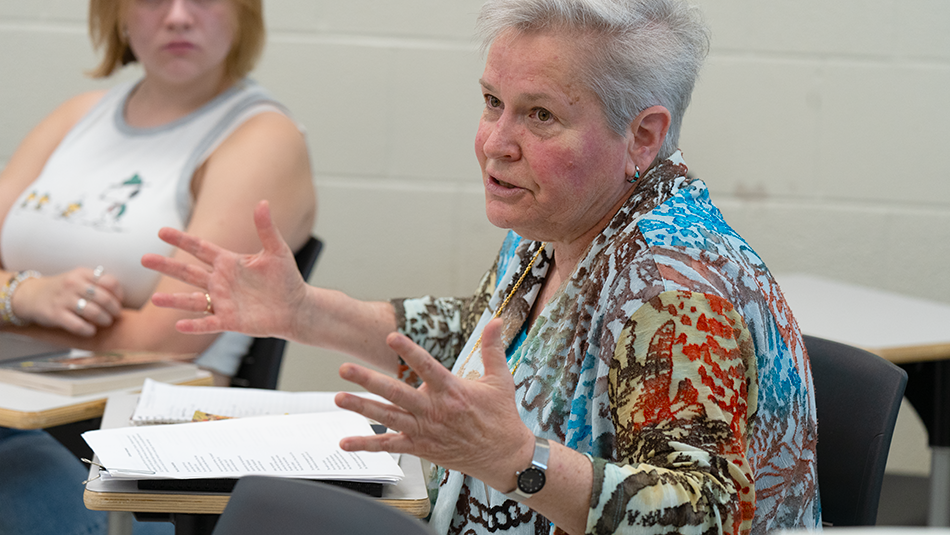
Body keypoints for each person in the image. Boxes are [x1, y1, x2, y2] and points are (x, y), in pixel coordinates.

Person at [144, 0, 819, 533]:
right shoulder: (561, 218)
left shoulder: (672, 287)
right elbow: (484, 340)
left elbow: (704, 515)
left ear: (642, 134)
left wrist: (519, 461)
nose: (496, 143)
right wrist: (305, 313)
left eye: (541, 116)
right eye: (493, 102)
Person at [0, 0, 316, 533]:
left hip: (125, 444)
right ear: (116, 15)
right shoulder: (77, 116)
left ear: (243, 14)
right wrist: (24, 295)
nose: (177, 16)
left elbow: (158, 340)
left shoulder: (263, 138)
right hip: (16, 411)